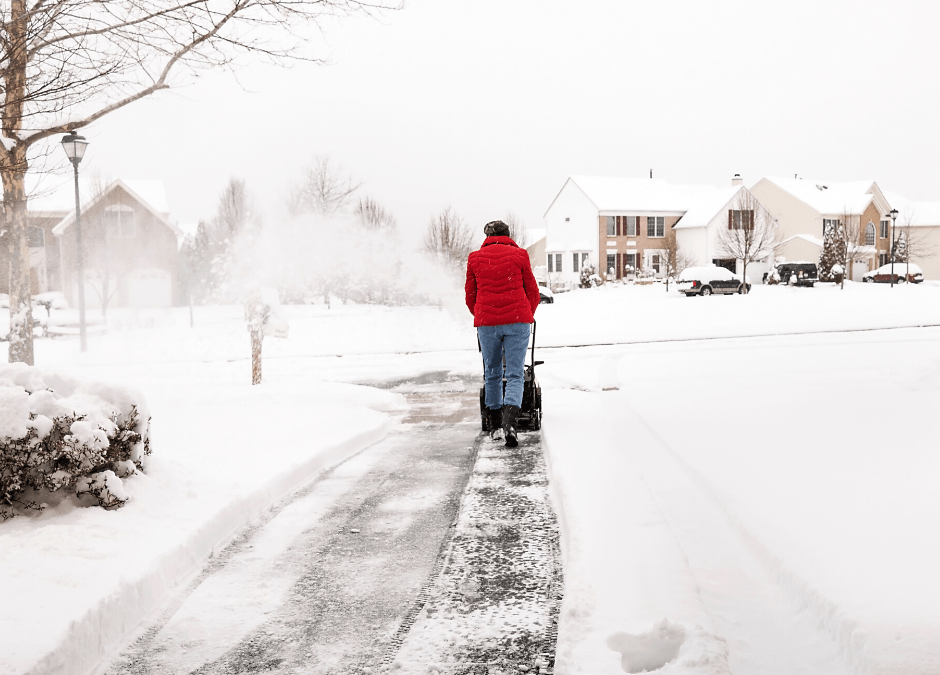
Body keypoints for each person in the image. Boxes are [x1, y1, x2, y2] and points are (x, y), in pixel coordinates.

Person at [465, 220, 540, 447]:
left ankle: (495, 424)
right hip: (517, 321)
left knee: (493, 372)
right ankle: (510, 423)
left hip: (487, 324)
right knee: (516, 374)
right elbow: (533, 292)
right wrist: (526, 312)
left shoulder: (475, 258)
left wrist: (482, 315)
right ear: (508, 235)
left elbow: (470, 296)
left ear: (487, 237)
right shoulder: (520, 255)